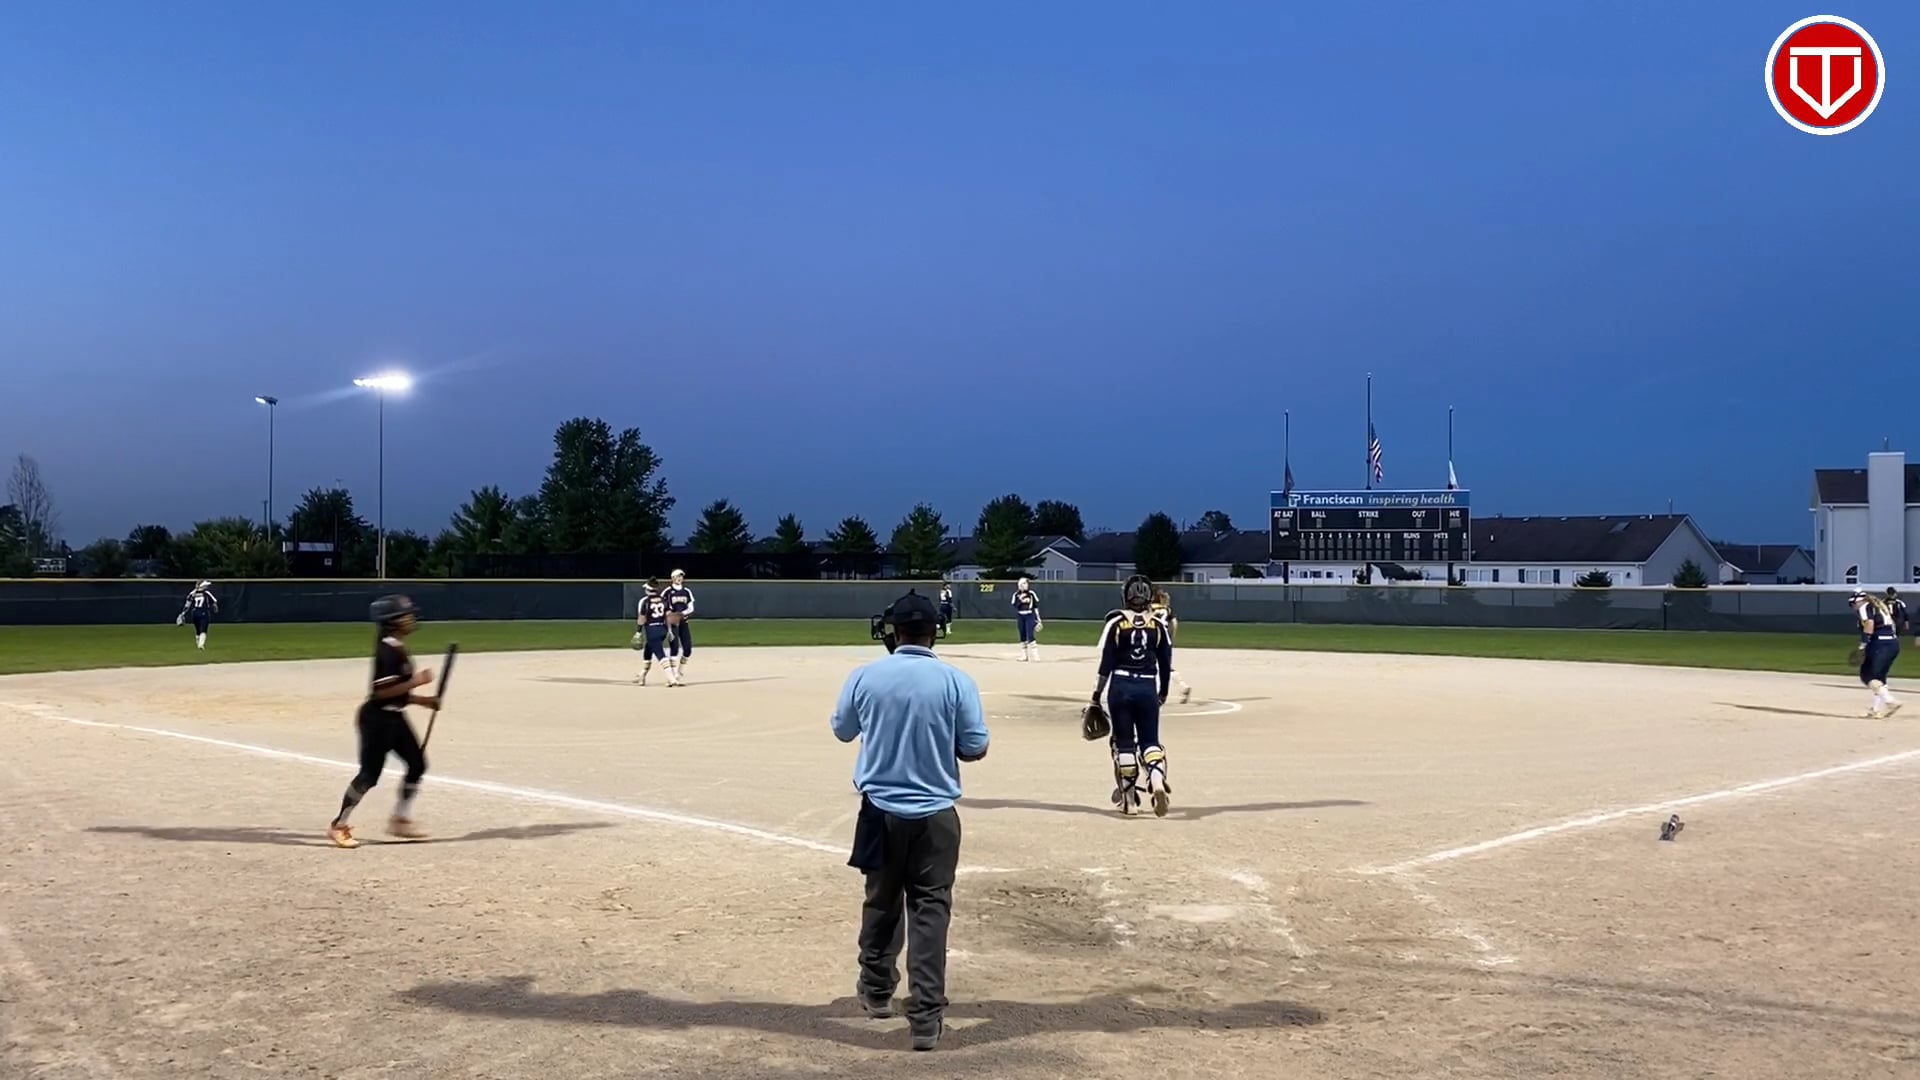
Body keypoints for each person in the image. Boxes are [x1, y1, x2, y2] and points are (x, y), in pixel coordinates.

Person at [832, 590, 989, 1052]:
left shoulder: (865, 675)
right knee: (930, 911)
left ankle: (877, 991)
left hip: (880, 812)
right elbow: (975, 746)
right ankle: (925, 1019)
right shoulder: (956, 680)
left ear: (893, 632)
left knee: (881, 902)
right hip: (936, 816)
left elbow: (842, 729)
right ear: (935, 632)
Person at [328, 595, 440, 848]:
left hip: (394, 717)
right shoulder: (387, 650)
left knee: (417, 764)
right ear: (392, 621)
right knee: (369, 776)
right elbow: (381, 692)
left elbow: (396, 692)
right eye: (405, 615)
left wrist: (424, 701)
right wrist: (417, 681)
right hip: (376, 721)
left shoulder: (396, 646)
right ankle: (339, 825)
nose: (411, 618)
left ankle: (401, 819)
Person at [1091, 575, 1174, 816]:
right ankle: (1156, 781)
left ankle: (1129, 802)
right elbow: (1165, 664)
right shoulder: (1158, 626)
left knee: (1124, 744)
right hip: (1147, 686)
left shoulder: (1116, 623)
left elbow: (1105, 665)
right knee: (1150, 742)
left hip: (1120, 687)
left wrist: (1095, 696)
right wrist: (1163, 692)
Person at [1852, 589, 1902, 719]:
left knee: (1867, 675)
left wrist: (1863, 645)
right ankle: (1876, 709)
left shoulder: (1865, 606)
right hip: (1893, 644)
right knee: (1879, 678)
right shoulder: (1881, 607)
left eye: (1853, 604)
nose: (1854, 608)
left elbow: (1869, 624)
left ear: (1857, 601)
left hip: (1879, 644)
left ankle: (1890, 701)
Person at [1150, 587, 1192, 704]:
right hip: (1165, 640)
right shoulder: (1167, 609)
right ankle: (1183, 686)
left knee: (1149, 665)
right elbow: (1174, 623)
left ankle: (1154, 693)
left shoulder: (1149, 608)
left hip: (1152, 639)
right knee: (1165, 666)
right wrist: (1171, 638)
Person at [633, 580, 675, 686]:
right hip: (662, 629)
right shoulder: (664, 600)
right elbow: (669, 616)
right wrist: (670, 630)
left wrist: (638, 632)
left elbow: (642, 618)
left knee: (660, 654)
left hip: (652, 630)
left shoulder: (645, 601)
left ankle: (671, 679)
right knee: (648, 650)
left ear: (648, 590)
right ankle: (642, 675)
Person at [663, 569, 697, 677]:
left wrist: (681, 614)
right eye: (677, 576)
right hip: (672, 623)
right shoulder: (668, 591)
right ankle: (673, 675)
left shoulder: (686, 591)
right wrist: (669, 615)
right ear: (672, 578)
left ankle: (680, 671)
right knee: (674, 647)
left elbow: (691, 607)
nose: (679, 578)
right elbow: (663, 605)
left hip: (683, 621)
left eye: (681, 576)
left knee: (687, 648)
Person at [178, 580, 219, 650]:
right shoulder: (206, 593)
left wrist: (183, 613)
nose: (207, 586)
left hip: (195, 613)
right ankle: (201, 644)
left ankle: (198, 643)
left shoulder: (192, 593)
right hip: (204, 612)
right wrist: (215, 608)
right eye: (205, 585)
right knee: (203, 629)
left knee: (197, 630)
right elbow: (214, 602)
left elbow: (187, 604)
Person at [1011, 576, 1042, 661]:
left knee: (1030, 634)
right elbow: (1015, 606)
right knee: (1022, 635)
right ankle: (1024, 656)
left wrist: (1038, 619)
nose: (1027, 585)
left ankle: (1035, 655)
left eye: (1027, 583)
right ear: (1020, 585)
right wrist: (1020, 600)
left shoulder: (1031, 594)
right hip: (1020, 616)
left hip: (1029, 615)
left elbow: (1035, 607)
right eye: (1024, 583)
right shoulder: (1016, 595)